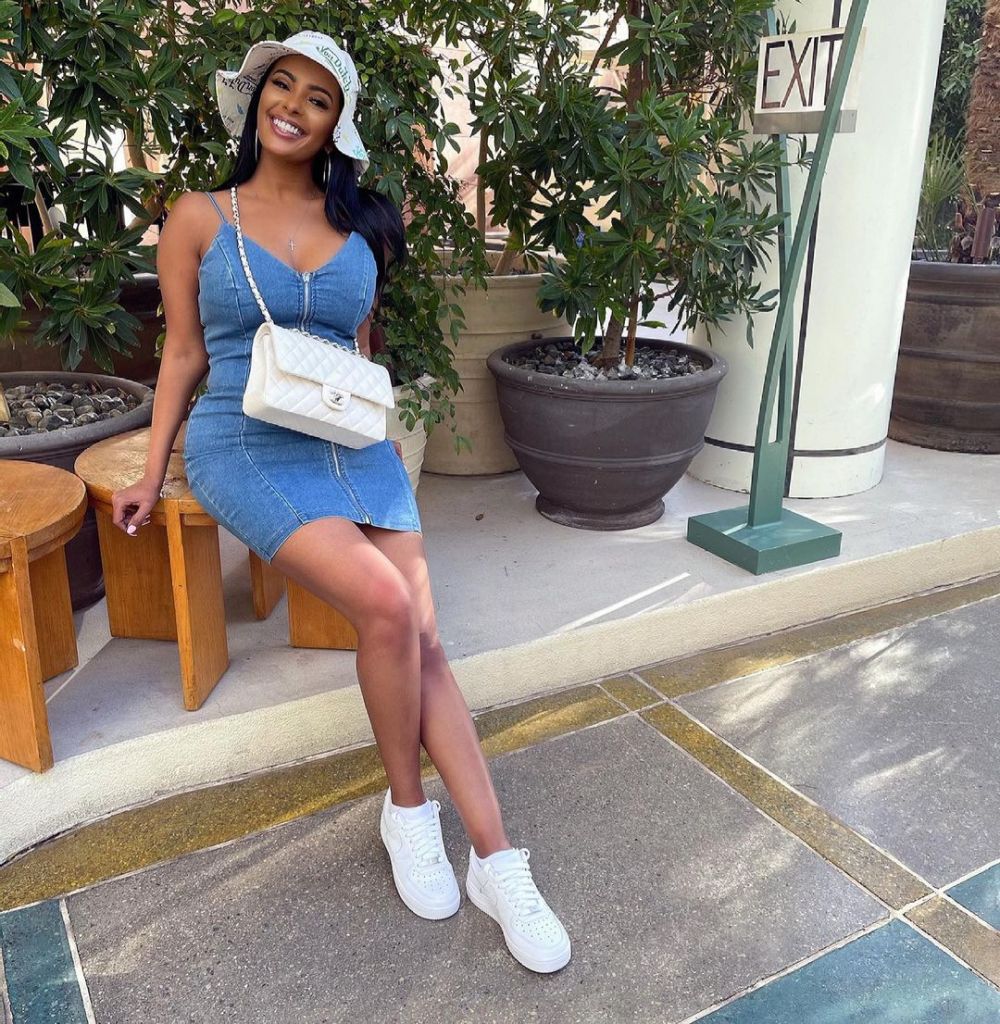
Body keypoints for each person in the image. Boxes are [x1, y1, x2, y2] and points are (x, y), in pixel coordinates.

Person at [109, 30, 571, 974]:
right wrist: (153, 473)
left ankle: (498, 863)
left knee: (422, 634)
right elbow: (183, 351)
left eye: (317, 98)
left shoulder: (362, 222)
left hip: (352, 442)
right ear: (257, 100)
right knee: (391, 607)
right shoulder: (198, 215)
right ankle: (408, 809)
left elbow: (357, 347)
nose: (293, 105)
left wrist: (375, 429)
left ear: (336, 125)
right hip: (243, 441)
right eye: (281, 86)